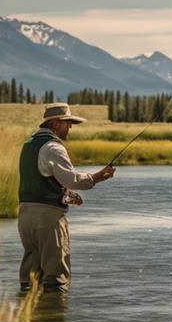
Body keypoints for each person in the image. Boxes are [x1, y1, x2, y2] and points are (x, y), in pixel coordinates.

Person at [17, 102, 115, 292]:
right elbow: (72, 179)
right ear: (55, 124)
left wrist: (67, 195)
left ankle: (30, 319)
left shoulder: (28, 145)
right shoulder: (53, 147)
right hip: (47, 220)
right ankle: (54, 318)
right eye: (67, 122)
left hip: (25, 217)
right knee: (55, 279)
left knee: (31, 279)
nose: (70, 127)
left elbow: (41, 179)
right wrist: (97, 177)